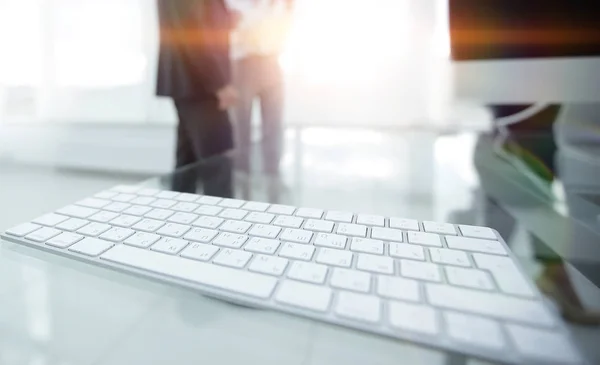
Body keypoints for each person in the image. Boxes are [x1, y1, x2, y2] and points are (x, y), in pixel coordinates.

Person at [156, 0, 238, 176]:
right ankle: (218, 205)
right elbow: (194, 32)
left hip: (190, 82)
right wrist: (219, 83)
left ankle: (179, 204)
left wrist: (228, 18)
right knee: (218, 163)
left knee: (187, 162)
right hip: (199, 84)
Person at [228, 0, 294, 175]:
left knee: (273, 127)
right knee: (240, 128)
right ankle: (241, 179)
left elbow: (282, 29)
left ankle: (273, 175)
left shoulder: (277, 3)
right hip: (242, 65)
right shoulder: (232, 3)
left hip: (271, 63)